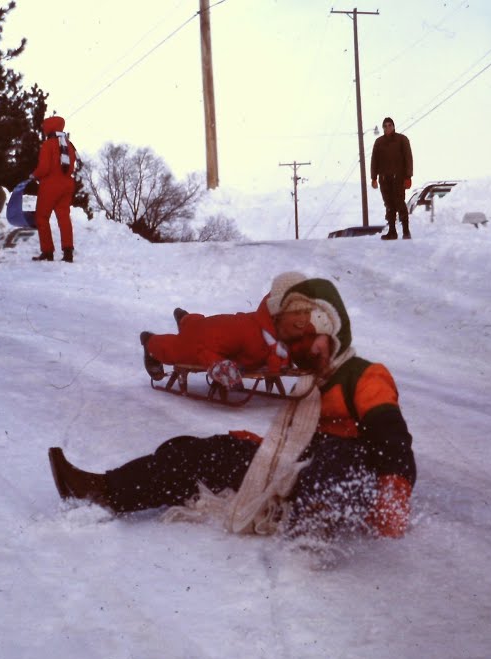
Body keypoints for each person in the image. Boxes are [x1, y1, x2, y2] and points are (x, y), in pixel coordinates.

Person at [51, 277, 416, 540]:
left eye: (310, 336)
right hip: (298, 469)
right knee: (198, 451)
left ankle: (316, 523)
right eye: (295, 341)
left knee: (340, 452)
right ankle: (105, 490)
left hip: (345, 476)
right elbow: (295, 440)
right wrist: (261, 448)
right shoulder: (311, 383)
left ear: (334, 329)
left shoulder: (365, 376)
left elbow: (392, 438)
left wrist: (394, 492)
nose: (304, 349)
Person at [140, 272, 315, 385]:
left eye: (307, 311)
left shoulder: (295, 330)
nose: (303, 319)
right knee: (181, 347)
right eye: (296, 312)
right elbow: (204, 348)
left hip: (218, 330)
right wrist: (218, 365)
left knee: (195, 325)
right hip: (209, 336)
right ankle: (150, 342)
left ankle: (186, 319)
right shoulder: (246, 333)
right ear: (277, 314)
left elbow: (309, 345)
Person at [30, 115, 78, 263]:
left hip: (50, 185)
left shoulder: (48, 144)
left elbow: (44, 168)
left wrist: (33, 175)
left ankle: (47, 251)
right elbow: (72, 166)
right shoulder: (69, 144)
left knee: (42, 217)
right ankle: (68, 252)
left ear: (48, 127)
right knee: (64, 217)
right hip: (67, 184)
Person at [369, 116, 413, 240]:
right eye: (385, 126)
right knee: (389, 205)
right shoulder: (379, 142)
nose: (387, 128)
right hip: (384, 179)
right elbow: (374, 161)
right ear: (383, 128)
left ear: (393, 126)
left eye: (390, 125)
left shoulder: (402, 140)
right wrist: (373, 178)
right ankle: (392, 232)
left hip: (398, 178)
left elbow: (408, 158)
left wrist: (408, 176)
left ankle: (406, 231)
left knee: (399, 202)